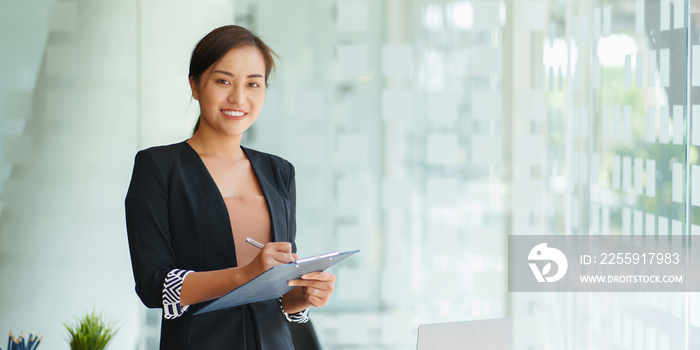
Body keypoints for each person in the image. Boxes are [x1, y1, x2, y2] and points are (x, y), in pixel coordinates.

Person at [125, 25, 336, 349]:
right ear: (195, 85)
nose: (238, 97)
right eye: (223, 81)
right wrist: (244, 274)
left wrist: (302, 296)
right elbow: (155, 286)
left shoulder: (279, 172)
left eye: (253, 83)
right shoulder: (159, 168)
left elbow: (275, 297)